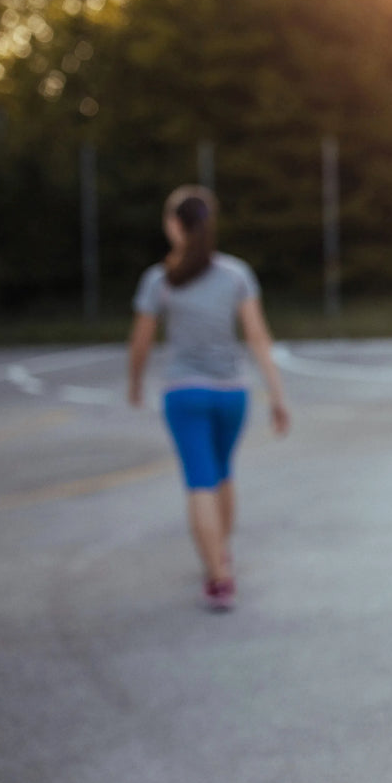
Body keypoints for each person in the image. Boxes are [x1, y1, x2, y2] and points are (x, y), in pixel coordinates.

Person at [128, 185, 290, 612]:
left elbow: (141, 343)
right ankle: (222, 554)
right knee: (221, 473)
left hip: (184, 393)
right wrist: (277, 394)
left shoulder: (159, 280)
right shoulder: (236, 274)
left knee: (199, 479)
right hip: (232, 394)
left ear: (175, 226)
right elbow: (257, 337)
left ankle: (219, 578)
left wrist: (134, 384)